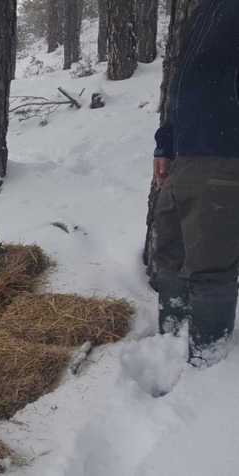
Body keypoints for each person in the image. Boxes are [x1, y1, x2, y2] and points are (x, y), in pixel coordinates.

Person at [152, 0, 239, 367]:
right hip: (183, 156)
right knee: (171, 251)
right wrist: (166, 142)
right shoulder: (205, 11)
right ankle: (167, 339)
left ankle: (205, 363)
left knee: (211, 263)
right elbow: (183, 82)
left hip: (225, 154)